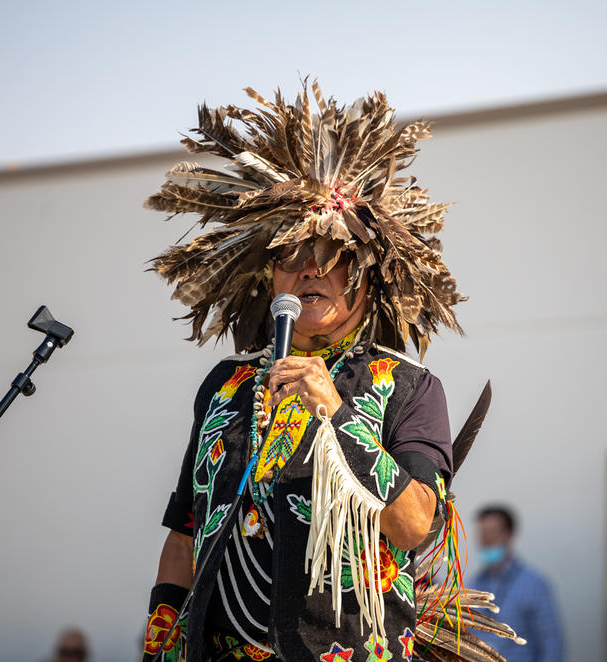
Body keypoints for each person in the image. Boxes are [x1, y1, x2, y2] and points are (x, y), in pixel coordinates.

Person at [140, 82, 467, 661]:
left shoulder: (410, 389)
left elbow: (416, 525)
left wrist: (338, 416)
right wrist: (159, 644)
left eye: (333, 257)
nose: (308, 271)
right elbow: (185, 531)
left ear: (368, 279)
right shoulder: (225, 386)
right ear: (268, 277)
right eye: (289, 255)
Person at [469, 506, 564, 662]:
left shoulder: (534, 584)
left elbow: (551, 644)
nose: (485, 540)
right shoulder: (472, 585)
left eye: (491, 533)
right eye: (482, 534)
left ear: (509, 535)